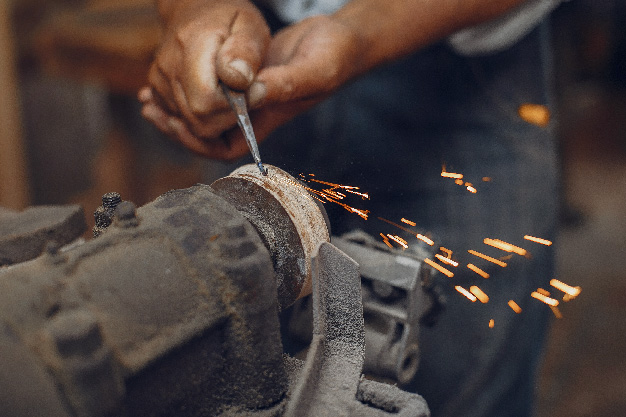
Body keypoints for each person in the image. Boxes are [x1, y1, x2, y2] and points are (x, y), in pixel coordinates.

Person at [140, 1, 564, 415]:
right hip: (261, 59)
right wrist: (192, 9)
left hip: (461, 51)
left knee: (466, 373)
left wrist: (365, 31)